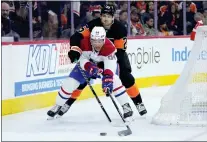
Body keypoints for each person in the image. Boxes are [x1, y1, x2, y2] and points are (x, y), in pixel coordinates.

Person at [68, 4, 147, 116]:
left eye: (109, 16)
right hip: (94, 56)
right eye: (104, 15)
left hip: (114, 56)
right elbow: (76, 36)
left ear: (113, 17)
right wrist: (75, 49)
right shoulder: (92, 25)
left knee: (125, 76)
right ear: (100, 16)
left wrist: (107, 69)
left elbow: (119, 51)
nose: (106, 18)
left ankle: (138, 103)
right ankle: (67, 103)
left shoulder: (120, 29)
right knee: (84, 77)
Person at [47, 27, 133, 119]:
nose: (96, 44)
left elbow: (110, 65)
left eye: (99, 41)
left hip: (104, 65)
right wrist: (89, 67)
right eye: (94, 41)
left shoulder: (110, 48)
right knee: (69, 83)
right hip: (87, 65)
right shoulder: (84, 43)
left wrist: (107, 78)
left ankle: (126, 106)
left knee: (115, 80)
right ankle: (58, 105)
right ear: (90, 39)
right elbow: (82, 58)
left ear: (104, 39)